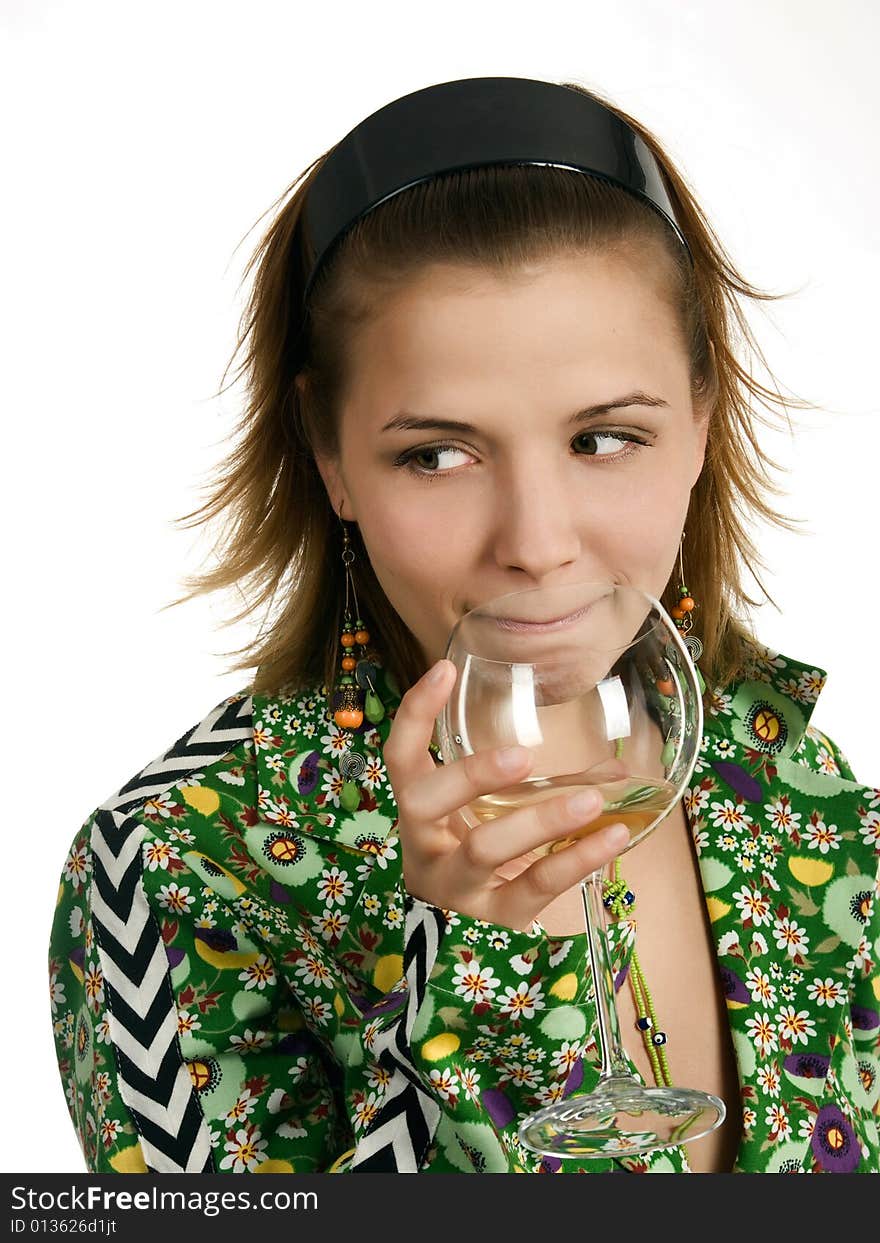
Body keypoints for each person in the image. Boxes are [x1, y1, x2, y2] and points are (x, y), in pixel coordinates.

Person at [48, 76, 879, 1176]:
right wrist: (479, 972)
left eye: (604, 439)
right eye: (436, 453)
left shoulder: (795, 787)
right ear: (332, 454)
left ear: (699, 422)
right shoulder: (177, 864)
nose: (535, 543)